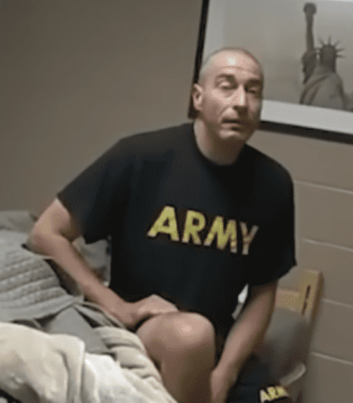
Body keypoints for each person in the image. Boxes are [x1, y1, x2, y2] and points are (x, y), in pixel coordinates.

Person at [29, 48, 295, 403]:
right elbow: (46, 232)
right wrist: (114, 305)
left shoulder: (273, 184)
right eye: (227, 86)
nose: (241, 102)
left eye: (253, 91)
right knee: (192, 335)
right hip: (144, 331)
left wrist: (225, 373)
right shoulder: (141, 157)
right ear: (198, 97)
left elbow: (263, 291)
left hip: (219, 343)